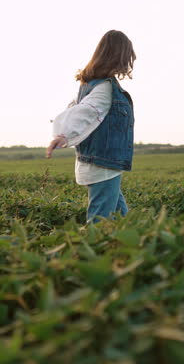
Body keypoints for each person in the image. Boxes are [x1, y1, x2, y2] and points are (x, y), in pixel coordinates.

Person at [46, 30, 136, 224]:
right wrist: (63, 135)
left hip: (103, 164)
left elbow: (76, 107)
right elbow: (85, 111)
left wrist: (63, 133)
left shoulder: (92, 85)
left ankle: (134, 242)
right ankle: (92, 244)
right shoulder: (104, 88)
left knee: (123, 220)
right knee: (99, 222)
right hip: (103, 164)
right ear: (118, 56)